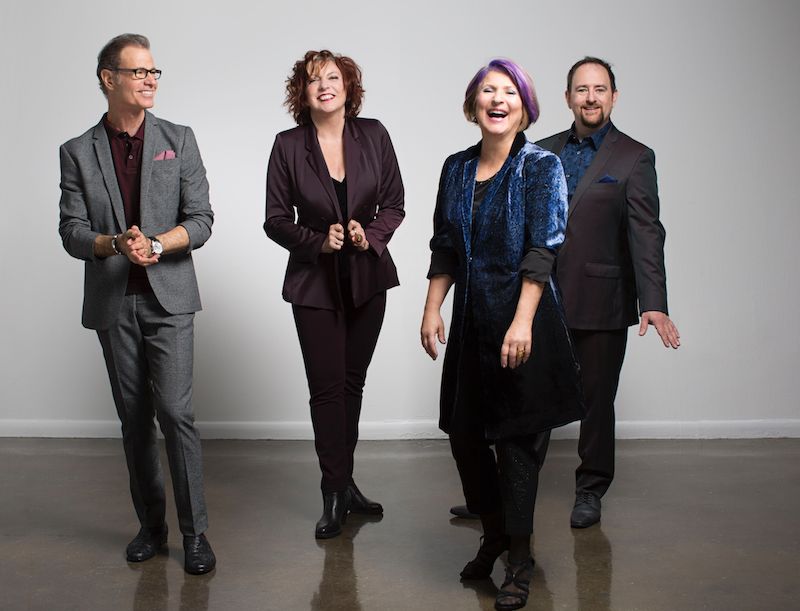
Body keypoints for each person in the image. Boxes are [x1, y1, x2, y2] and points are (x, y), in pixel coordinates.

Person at [421, 59, 585, 611]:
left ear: (524, 106)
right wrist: (431, 309)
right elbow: (444, 244)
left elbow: (544, 250)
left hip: (524, 329)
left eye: (508, 92)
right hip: (470, 328)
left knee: (517, 446)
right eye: (487, 91)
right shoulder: (455, 168)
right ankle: (493, 533)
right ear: (474, 105)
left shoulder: (540, 167)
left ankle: (519, 558)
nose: (497, 99)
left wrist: (521, 321)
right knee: (465, 438)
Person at [59, 34, 215, 574]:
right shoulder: (77, 151)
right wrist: (113, 245)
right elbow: (72, 231)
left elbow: (201, 220)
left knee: (176, 414)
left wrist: (156, 244)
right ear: (109, 79)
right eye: (139, 72)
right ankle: (151, 527)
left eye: (155, 72)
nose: (151, 80)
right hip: (113, 303)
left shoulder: (179, 138)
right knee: (135, 421)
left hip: (168, 299)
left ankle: (196, 535)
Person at [534, 57, 680, 528]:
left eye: (600, 89)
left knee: (597, 401)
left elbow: (646, 233)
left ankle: (590, 490)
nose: (591, 97)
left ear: (614, 97)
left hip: (602, 300)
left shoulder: (634, 157)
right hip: (539, 300)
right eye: (581, 89)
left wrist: (653, 302)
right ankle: (511, 488)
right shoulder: (538, 151)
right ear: (568, 97)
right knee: (528, 396)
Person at [265, 50, 404, 539]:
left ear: (348, 87)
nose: (324, 85)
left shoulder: (375, 134)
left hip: (369, 280)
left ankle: (345, 485)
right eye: (312, 80)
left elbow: (395, 203)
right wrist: (318, 241)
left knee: (352, 385)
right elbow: (276, 220)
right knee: (326, 390)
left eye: (333, 77)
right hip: (314, 285)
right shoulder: (287, 145)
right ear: (302, 94)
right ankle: (333, 494)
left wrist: (370, 235)